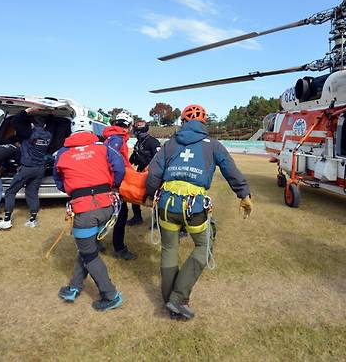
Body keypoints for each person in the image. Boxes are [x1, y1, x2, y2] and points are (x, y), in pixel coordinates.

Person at [145, 104, 253, 320]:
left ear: (183, 122)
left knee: (169, 249)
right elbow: (231, 170)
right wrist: (243, 194)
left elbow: (154, 174)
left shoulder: (170, 144)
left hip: (166, 204)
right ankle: (177, 298)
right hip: (193, 206)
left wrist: (149, 195)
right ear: (204, 124)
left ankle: (169, 300)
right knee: (204, 246)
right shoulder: (213, 145)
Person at [54, 117, 126, 311]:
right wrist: (112, 184)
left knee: (89, 253)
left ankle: (110, 295)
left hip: (85, 210)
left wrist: (73, 190)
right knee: (87, 248)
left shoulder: (62, 153)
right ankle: (74, 286)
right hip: (107, 206)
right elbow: (119, 167)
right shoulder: (103, 148)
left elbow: (58, 180)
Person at [0, 107, 52, 231]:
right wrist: (51, 114)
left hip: (27, 168)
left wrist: (27, 111)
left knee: (10, 192)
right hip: (40, 169)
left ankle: (7, 220)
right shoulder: (48, 135)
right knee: (32, 194)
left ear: (32, 123)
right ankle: (32, 220)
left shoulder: (29, 133)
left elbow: (15, 122)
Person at [102, 110, 137, 260]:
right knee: (120, 215)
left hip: (105, 182)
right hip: (113, 183)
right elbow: (116, 163)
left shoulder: (109, 137)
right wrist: (117, 183)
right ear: (129, 126)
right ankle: (119, 248)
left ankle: (96, 242)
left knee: (104, 214)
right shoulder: (117, 139)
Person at [127, 120, 161, 226]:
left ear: (138, 131)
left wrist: (149, 168)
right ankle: (137, 217)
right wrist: (127, 165)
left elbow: (159, 158)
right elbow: (133, 158)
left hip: (152, 174)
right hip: (140, 172)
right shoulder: (138, 143)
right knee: (133, 194)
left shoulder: (153, 142)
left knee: (155, 197)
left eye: (135, 131)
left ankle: (157, 221)